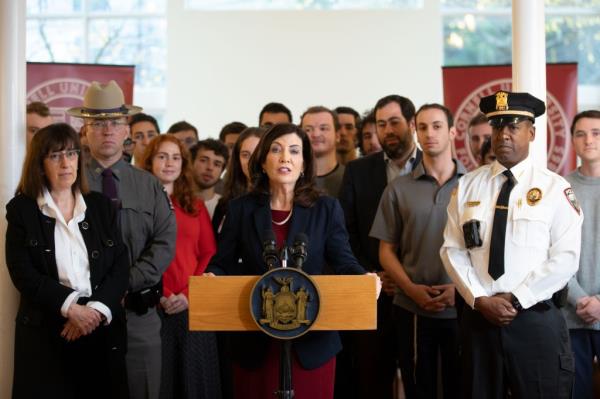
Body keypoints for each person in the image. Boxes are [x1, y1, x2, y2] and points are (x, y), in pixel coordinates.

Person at [206, 123, 369, 399]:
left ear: (304, 162)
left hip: (312, 344)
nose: (285, 158)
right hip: (256, 343)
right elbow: (222, 263)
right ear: (263, 161)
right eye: (276, 150)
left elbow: (344, 262)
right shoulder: (240, 209)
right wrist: (212, 276)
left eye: (294, 151)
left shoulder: (326, 209)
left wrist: (364, 279)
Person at [440, 91, 583, 398]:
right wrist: (479, 298)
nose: (503, 134)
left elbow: (566, 258)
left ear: (531, 132)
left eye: (513, 126)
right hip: (480, 321)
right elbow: (452, 250)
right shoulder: (467, 186)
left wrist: (517, 299)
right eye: (498, 126)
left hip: (535, 321)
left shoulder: (555, 188)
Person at [67, 80, 177, 399]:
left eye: (115, 122)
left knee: (143, 389)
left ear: (126, 129)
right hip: (83, 315)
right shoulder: (68, 181)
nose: (107, 130)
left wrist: (120, 285)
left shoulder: (149, 186)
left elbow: (164, 244)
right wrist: (95, 299)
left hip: (136, 315)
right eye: (98, 123)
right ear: (84, 130)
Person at [5, 123, 129, 398]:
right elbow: (22, 271)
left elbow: (121, 264)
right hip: (48, 333)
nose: (66, 163)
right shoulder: (22, 210)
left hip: (100, 328)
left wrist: (93, 310)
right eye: (55, 156)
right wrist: (71, 308)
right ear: (39, 164)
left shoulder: (100, 205)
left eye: (72, 154)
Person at [371, 103, 464, 399]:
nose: (429, 133)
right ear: (415, 132)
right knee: (417, 387)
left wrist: (460, 291)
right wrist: (410, 289)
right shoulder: (398, 189)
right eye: (422, 127)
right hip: (412, 306)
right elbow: (386, 251)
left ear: (452, 131)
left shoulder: (476, 185)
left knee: (460, 386)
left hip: (462, 305)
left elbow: (485, 251)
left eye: (437, 126)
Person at [337, 94, 421, 399]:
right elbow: (346, 232)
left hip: (419, 296)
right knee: (372, 382)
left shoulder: (434, 167)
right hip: (373, 294)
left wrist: (406, 280)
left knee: (419, 382)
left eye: (394, 122)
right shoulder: (358, 171)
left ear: (412, 124)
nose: (387, 130)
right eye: (381, 124)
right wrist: (370, 273)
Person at [141, 135, 221, 399]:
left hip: (191, 305)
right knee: (161, 383)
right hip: (153, 304)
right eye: (162, 156)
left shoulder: (194, 205)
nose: (169, 163)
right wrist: (160, 292)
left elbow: (208, 252)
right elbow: (134, 255)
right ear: (149, 161)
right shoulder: (138, 205)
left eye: (176, 157)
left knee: (195, 382)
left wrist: (187, 295)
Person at [563, 110, 600, 399]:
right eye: (581, 133)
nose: (588, 140)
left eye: (596, 133)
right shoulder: (558, 188)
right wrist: (580, 298)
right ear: (572, 140)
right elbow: (550, 252)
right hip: (572, 315)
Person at [213, 127, 266, 234]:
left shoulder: (281, 204)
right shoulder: (225, 205)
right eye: (245, 155)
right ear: (238, 160)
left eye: (257, 154)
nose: (251, 161)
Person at [300, 106, 344, 197]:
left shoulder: (350, 177)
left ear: (337, 135)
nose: (316, 134)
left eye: (323, 128)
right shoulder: (290, 179)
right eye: (308, 130)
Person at [190, 139, 229, 219]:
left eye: (217, 164)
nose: (210, 168)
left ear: (222, 170)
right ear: (191, 162)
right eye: (203, 160)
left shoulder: (228, 208)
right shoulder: (173, 203)